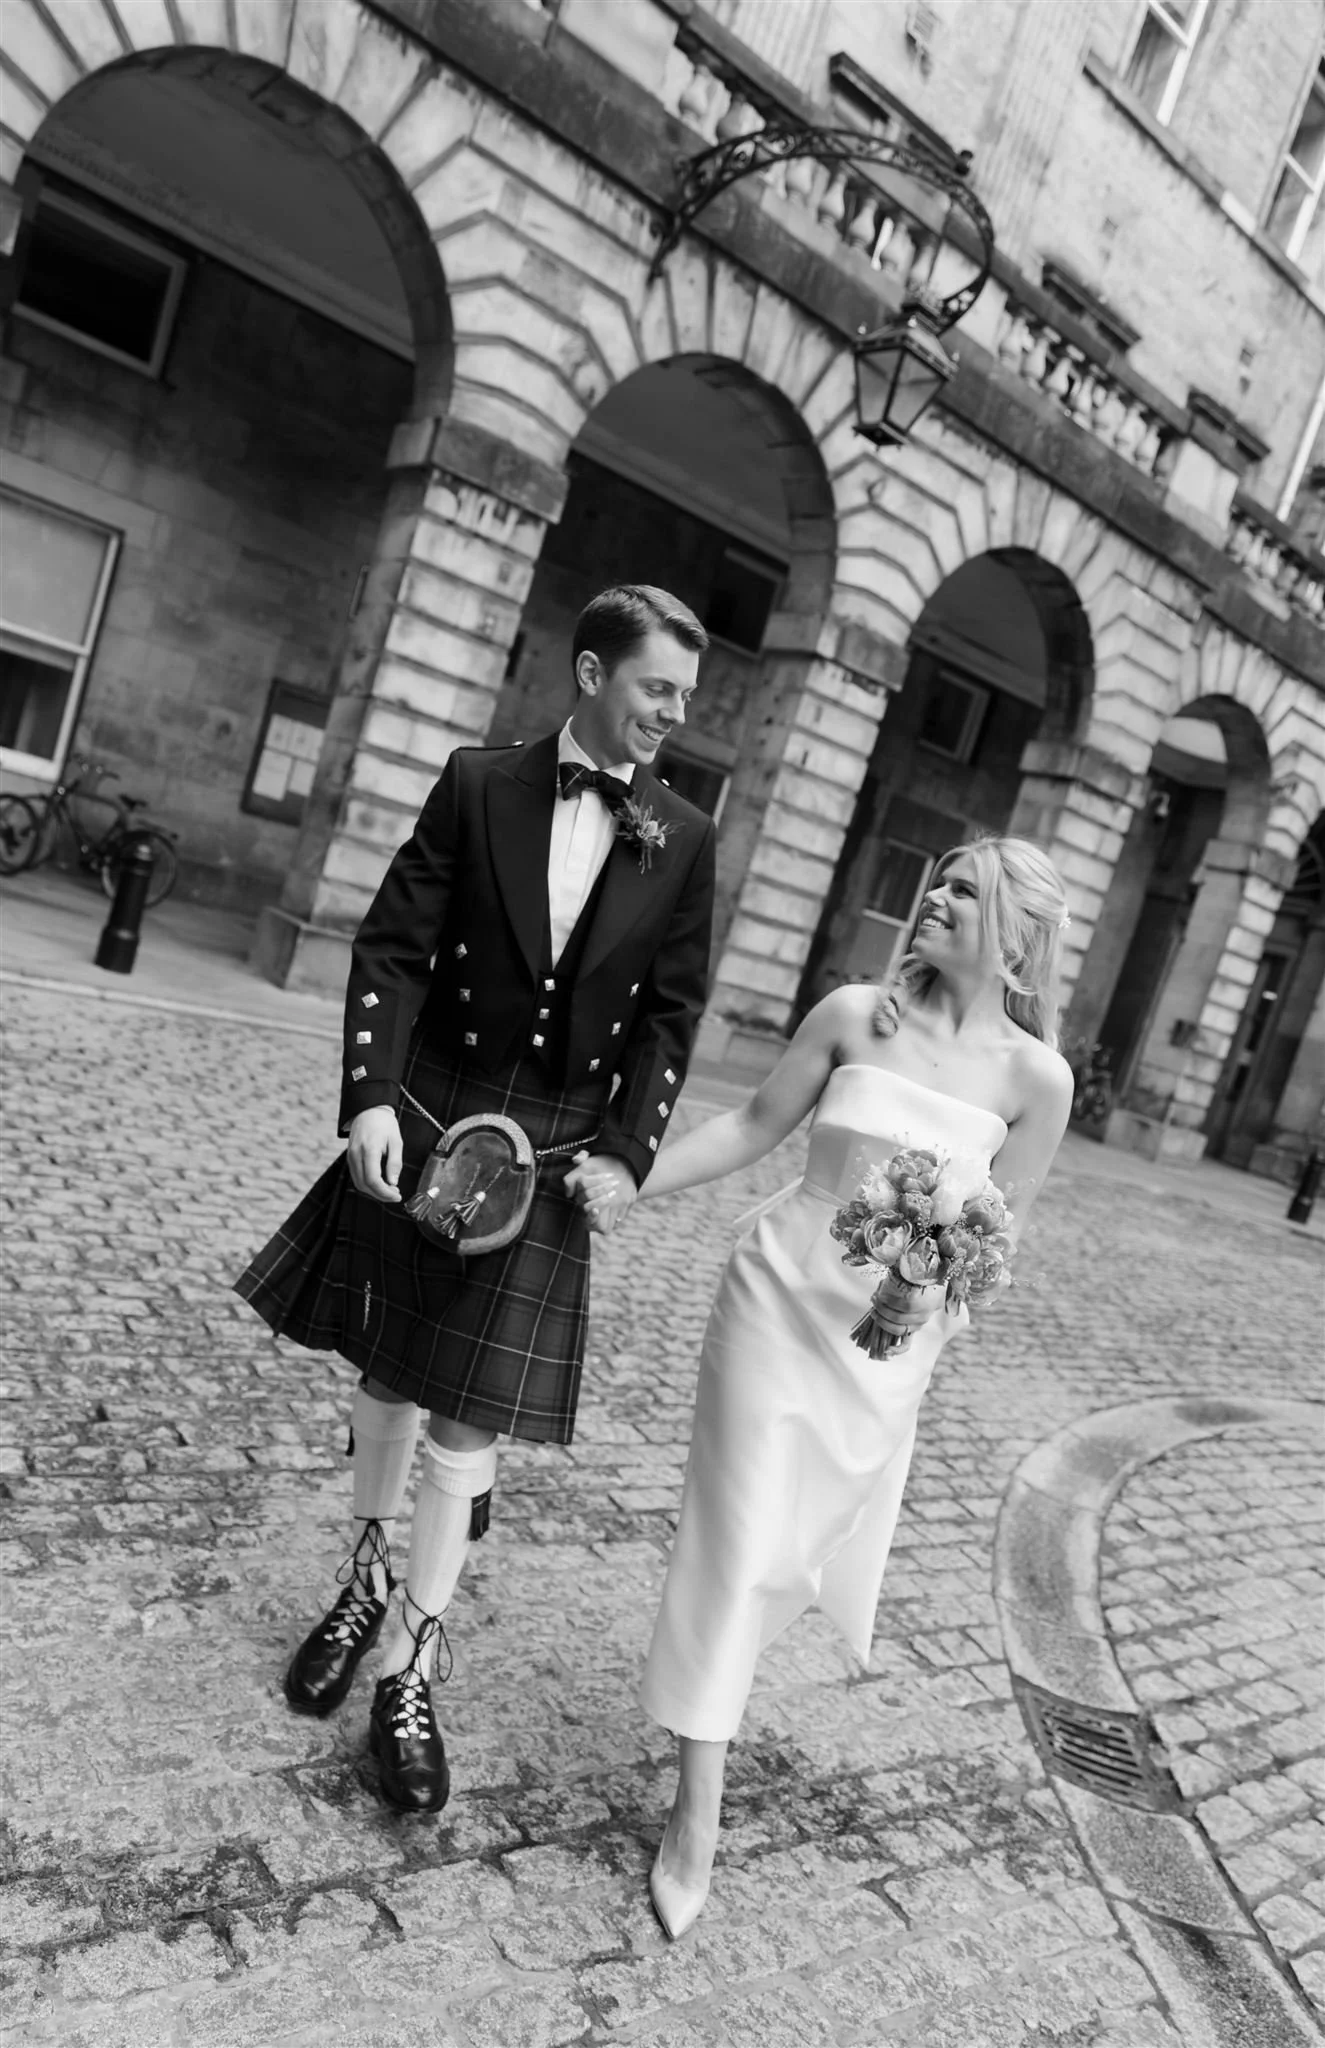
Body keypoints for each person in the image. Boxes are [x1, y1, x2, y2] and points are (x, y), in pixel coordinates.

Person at [235, 584, 716, 1813]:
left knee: (471, 1416)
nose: (675, 712)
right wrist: (371, 1094)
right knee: (394, 1367)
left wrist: (628, 1150)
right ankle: (359, 1574)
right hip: (442, 1097)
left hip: (555, 1144)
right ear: (592, 670)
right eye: (659, 687)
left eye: (685, 696)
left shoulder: (684, 831)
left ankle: (412, 1649)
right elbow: (392, 943)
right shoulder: (475, 780)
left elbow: (669, 1016)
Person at [576, 834, 1074, 1938]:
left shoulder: (1038, 1081)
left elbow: (999, 1241)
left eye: (964, 889)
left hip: (879, 1348)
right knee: (736, 1538)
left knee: (788, 1555)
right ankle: (694, 1809)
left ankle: (711, 1701)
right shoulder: (856, 1015)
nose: (935, 897)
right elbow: (753, 1127)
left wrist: (930, 1297)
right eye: (935, 880)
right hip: (771, 1301)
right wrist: (628, 1175)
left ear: (1019, 934)